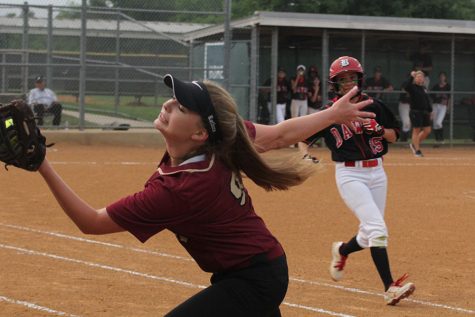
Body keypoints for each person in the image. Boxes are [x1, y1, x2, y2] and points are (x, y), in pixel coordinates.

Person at [36, 74, 374, 316]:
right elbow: (278, 136)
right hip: (258, 270)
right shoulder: (221, 142)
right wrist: (333, 114)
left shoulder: (182, 188)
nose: (169, 103)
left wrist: (42, 164)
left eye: (182, 106)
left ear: (199, 133)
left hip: (252, 279)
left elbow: (91, 222)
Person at [303, 56, 415, 306]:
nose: (348, 83)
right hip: (350, 174)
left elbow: (394, 136)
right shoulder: (329, 113)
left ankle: (342, 250)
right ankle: (390, 288)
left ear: (360, 80)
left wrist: (378, 130)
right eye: (342, 80)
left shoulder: (375, 106)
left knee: (368, 234)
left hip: (377, 172)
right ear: (334, 84)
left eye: (352, 78)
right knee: (378, 230)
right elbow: (303, 136)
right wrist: (303, 155)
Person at [403, 70, 432, 157]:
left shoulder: (424, 88)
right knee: (416, 130)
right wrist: (411, 76)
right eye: (418, 77)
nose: (420, 78)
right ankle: (417, 150)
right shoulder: (412, 87)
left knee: (427, 130)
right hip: (415, 111)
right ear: (415, 79)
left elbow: (427, 100)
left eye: (421, 77)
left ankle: (414, 144)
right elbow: (406, 87)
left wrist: (430, 110)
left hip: (424, 112)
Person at [298, 65, 321, 163]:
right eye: (312, 74)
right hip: (311, 109)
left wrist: (318, 88)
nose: (314, 78)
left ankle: (314, 143)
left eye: (315, 76)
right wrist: (316, 89)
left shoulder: (321, 86)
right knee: (310, 128)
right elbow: (313, 99)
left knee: (318, 128)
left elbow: (320, 99)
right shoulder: (310, 87)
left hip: (319, 109)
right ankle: (306, 147)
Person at [431, 71, 451, 145]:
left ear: (445, 77)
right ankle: (437, 140)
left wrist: (449, 106)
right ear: (439, 78)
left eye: (443, 76)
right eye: (440, 76)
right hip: (435, 105)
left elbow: (450, 98)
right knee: (434, 123)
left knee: (439, 123)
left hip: (443, 106)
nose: (442, 77)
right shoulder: (435, 86)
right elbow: (432, 97)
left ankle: (442, 139)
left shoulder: (448, 86)